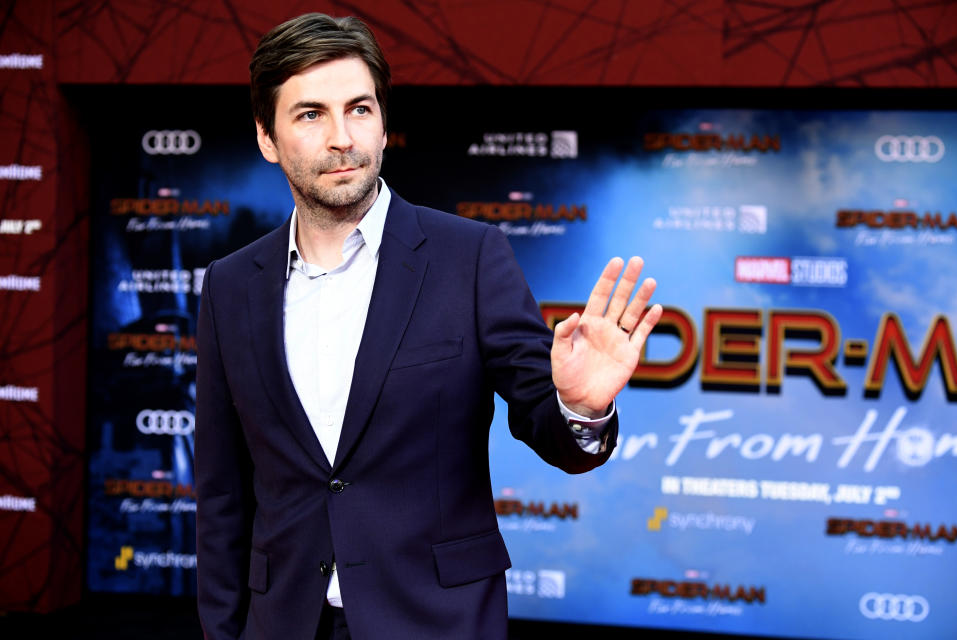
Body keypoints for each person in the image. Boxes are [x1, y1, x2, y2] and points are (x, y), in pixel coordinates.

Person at [195, 13, 662, 640]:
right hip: (283, 624)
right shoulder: (230, 286)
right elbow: (222, 496)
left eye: (359, 109)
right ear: (267, 138)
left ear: (384, 125)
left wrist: (578, 406)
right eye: (311, 115)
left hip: (435, 622)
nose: (342, 137)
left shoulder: (469, 257)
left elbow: (546, 424)